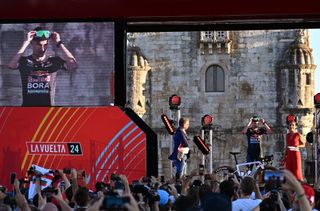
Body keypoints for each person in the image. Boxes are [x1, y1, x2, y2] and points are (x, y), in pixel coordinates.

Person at [8, 26, 78, 106]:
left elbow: (73, 64)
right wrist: (26, 42)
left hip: (48, 110)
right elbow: (11, 65)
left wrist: (59, 43)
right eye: (39, 45)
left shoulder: (53, 61)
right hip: (27, 110)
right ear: (32, 44)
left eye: (45, 45)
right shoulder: (24, 61)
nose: (42, 48)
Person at [283, 115, 306, 181]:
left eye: (293, 125)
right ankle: (290, 185)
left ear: (295, 126)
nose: (291, 126)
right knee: (288, 171)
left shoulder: (298, 134)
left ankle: (299, 185)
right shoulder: (287, 135)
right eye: (290, 125)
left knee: (297, 171)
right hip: (289, 154)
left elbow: (303, 144)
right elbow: (286, 147)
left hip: (296, 154)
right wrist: (284, 157)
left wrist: (297, 146)